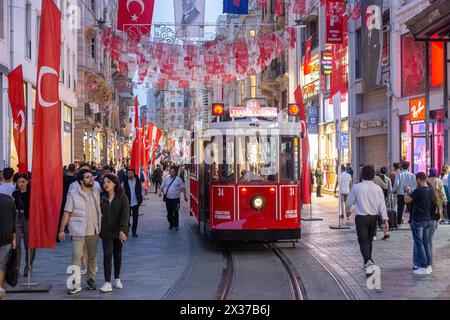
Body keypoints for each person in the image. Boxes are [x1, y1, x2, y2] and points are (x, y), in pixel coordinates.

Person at [59, 168, 102, 294]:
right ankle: (74, 283)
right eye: (88, 177)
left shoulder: (96, 191)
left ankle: (91, 279)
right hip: (78, 230)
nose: (91, 179)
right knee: (76, 256)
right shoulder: (73, 194)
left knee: (92, 257)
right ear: (81, 181)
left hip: (93, 230)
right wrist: (61, 230)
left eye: (92, 177)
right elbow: (67, 213)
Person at [346, 165, 389, 276]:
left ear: (362, 175)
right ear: (373, 175)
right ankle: (368, 261)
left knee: (363, 240)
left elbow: (349, 202)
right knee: (369, 240)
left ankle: (368, 261)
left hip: (361, 218)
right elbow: (382, 206)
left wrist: (348, 210)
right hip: (373, 218)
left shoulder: (357, 187)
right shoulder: (377, 188)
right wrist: (385, 220)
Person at [99, 174, 129, 293]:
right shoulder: (101, 197)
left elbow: (125, 215)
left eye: (109, 182)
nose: (106, 184)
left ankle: (117, 278)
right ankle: (107, 282)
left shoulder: (122, 198)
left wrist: (123, 230)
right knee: (107, 254)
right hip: (105, 231)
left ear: (115, 183)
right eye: (104, 182)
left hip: (118, 232)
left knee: (117, 254)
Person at [404, 172, 435, 275]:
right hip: (428, 220)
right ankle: (429, 265)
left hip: (418, 220)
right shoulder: (431, 190)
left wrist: (405, 192)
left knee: (419, 243)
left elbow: (407, 200)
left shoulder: (418, 191)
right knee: (426, 243)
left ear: (418, 179)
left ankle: (423, 266)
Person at [12, 174, 36, 277]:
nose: (21, 184)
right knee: (16, 245)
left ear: (27, 182)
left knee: (29, 245)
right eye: (19, 182)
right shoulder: (15, 194)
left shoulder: (31, 193)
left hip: (28, 218)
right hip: (17, 218)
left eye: (23, 182)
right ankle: (16, 269)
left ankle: (28, 266)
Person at [159, 166, 188, 231]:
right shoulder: (166, 179)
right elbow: (162, 186)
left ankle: (176, 225)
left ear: (175, 172)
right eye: (170, 172)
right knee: (169, 212)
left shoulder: (178, 179)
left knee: (176, 212)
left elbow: (183, 188)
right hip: (168, 199)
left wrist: (185, 196)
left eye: (173, 172)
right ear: (169, 172)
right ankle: (171, 224)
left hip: (176, 199)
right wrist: (159, 192)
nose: (172, 173)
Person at [0, 193, 17, 299]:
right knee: (1, 265)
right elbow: (13, 221)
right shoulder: (9, 200)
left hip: (6, 236)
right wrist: (14, 238)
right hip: (6, 236)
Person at [393, 161, 416, 225]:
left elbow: (396, 184)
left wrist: (393, 190)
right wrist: (410, 189)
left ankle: (399, 221)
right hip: (409, 194)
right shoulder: (412, 175)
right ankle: (411, 221)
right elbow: (414, 185)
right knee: (410, 208)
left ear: (401, 166)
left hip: (400, 194)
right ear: (408, 167)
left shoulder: (399, 174)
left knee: (400, 208)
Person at [123, 168, 143, 238]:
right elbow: (122, 191)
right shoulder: (124, 182)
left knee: (135, 218)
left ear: (133, 174)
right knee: (126, 218)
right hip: (127, 203)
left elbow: (141, 189)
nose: (129, 175)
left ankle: (134, 231)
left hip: (135, 202)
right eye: (128, 173)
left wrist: (140, 198)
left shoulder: (137, 181)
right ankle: (127, 230)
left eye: (131, 173)